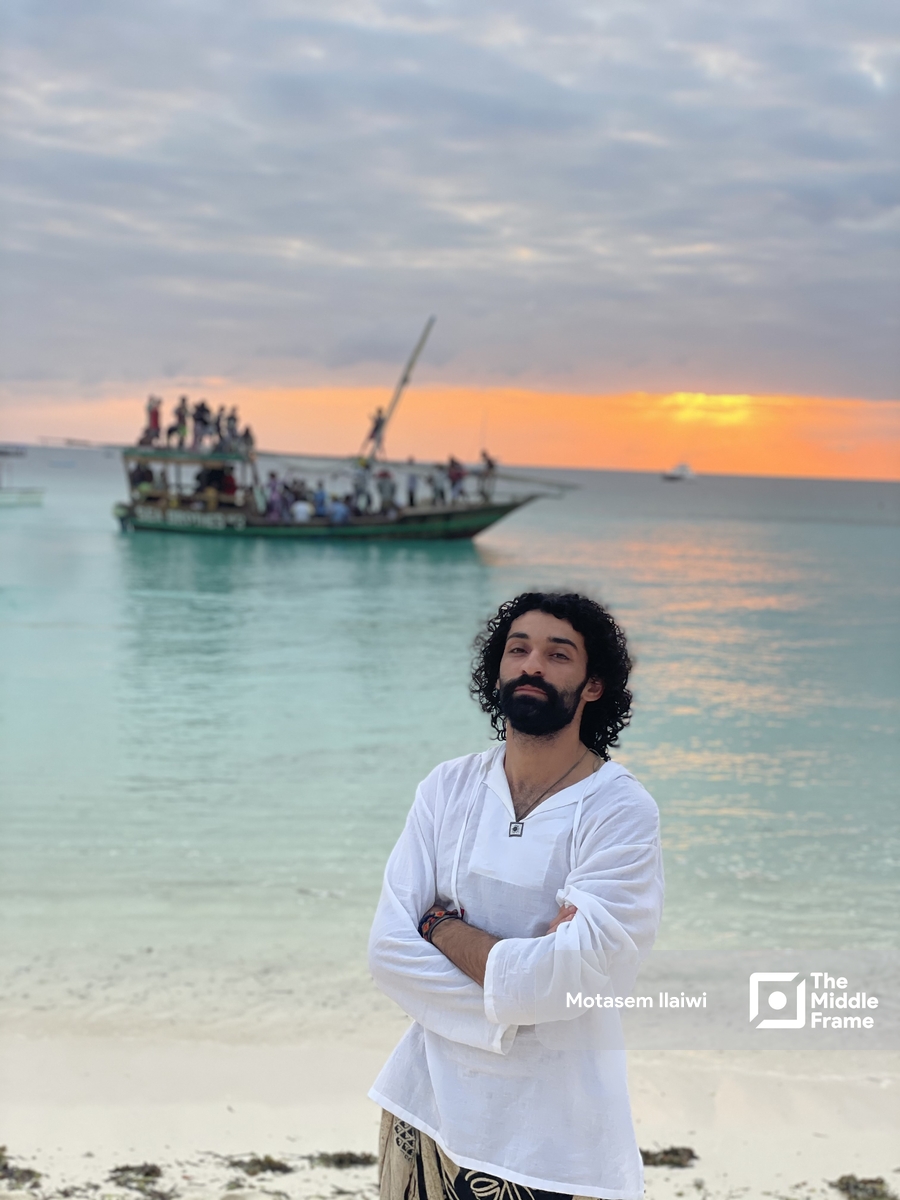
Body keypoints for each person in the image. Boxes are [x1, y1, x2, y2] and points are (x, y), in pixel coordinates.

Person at [368, 592, 663, 1200]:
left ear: (592, 686)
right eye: (518, 649)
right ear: (497, 669)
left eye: (559, 654)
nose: (532, 664)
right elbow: (388, 952)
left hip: (554, 1145)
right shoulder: (447, 787)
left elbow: (578, 977)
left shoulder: (619, 808)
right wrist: (523, 991)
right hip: (426, 1113)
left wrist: (442, 929)